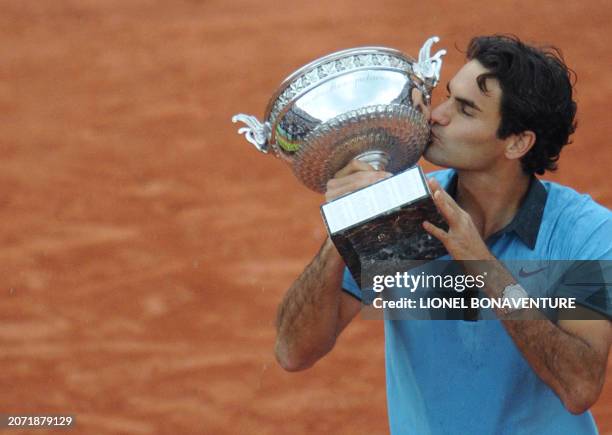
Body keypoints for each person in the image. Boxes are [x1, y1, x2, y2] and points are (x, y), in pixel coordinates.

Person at [274, 34, 612, 434]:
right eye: (448, 96)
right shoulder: (401, 213)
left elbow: (579, 386)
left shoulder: (585, 232)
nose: (436, 115)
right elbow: (293, 353)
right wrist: (345, 229)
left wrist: (481, 263)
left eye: (465, 110)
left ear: (517, 142)